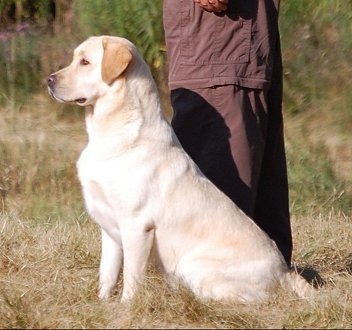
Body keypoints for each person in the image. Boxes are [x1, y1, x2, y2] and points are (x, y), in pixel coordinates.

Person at [163, 0, 292, 266]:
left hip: (252, 19)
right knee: (218, 149)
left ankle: (265, 275)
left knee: (256, 138)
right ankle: (219, 276)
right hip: (219, 27)